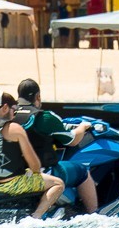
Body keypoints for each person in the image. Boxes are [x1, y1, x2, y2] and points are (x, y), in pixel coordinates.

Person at [0, 92, 63, 220]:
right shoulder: (13, 128)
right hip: (12, 185)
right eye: (14, 110)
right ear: (5, 108)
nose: (14, 114)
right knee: (58, 184)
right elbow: (35, 166)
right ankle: (36, 216)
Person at [14, 79, 98, 214]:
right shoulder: (45, 117)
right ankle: (93, 214)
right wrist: (82, 127)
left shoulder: (9, 116)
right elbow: (72, 141)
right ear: (38, 97)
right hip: (44, 172)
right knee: (82, 171)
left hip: (15, 173)